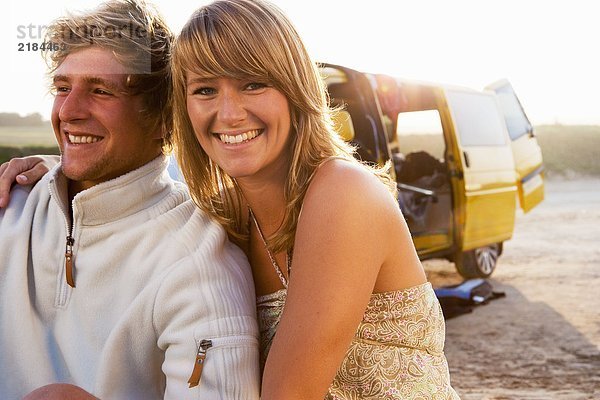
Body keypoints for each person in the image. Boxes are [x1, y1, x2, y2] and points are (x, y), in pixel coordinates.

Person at [2, 0, 459, 398]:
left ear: (294, 88)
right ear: (181, 111)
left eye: (253, 84)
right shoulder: (228, 213)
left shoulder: (343, 194)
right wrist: (63, 171)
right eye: (205, 90)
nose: (228, 112)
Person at [0, 1, 260, 399]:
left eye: (101, 91)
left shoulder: (200, 262)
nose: (68, 111)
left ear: (162, 120)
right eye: (63, 88)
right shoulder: (11, 203)